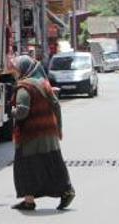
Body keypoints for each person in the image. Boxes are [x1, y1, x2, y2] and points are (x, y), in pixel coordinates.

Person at [10, 55, 75, 212]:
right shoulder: (44, 83)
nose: (14, 72)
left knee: (25, 166)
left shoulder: (24, 87)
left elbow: (22, 112)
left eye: (16, 69)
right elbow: (56, 105)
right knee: (52, 162)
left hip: (31, 134)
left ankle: (29, 200)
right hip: (49, 132)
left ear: (23, 70)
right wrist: (58, 128)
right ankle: (66, 191)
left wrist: (12, 111)